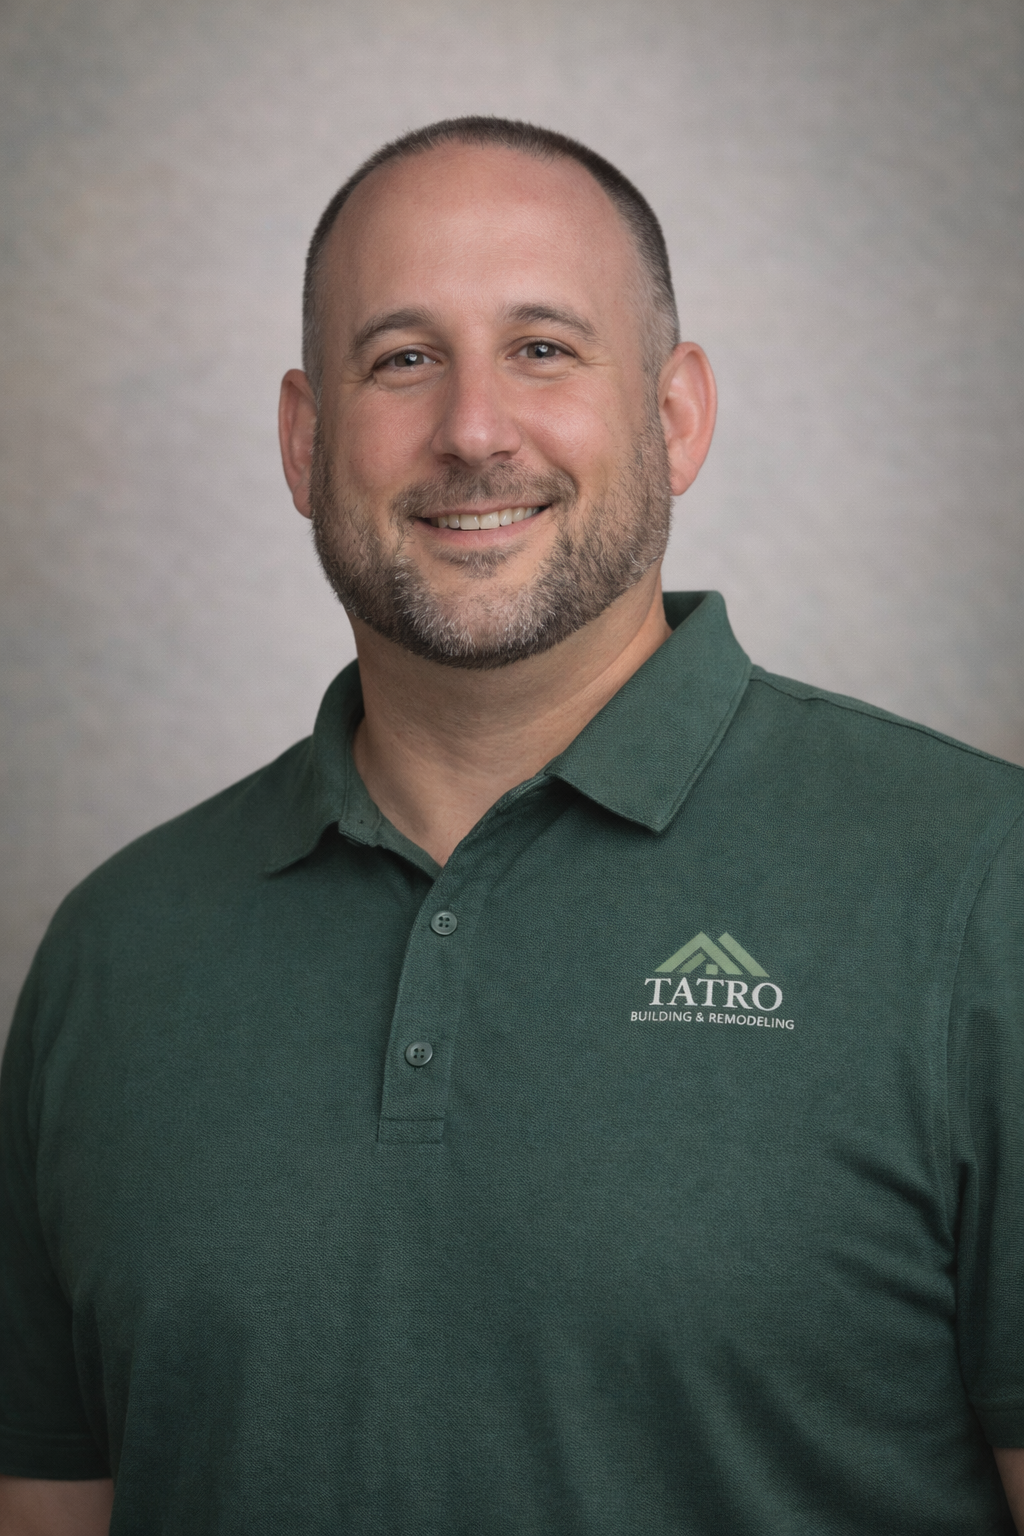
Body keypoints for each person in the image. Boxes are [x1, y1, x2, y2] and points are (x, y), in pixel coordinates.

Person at [0, 116, 1021, 1536]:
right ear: (305, 442)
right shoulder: (112, 954)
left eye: (543, 348)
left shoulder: (981, 891)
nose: (473, 429)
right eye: (402, 358)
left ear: (674, 416)